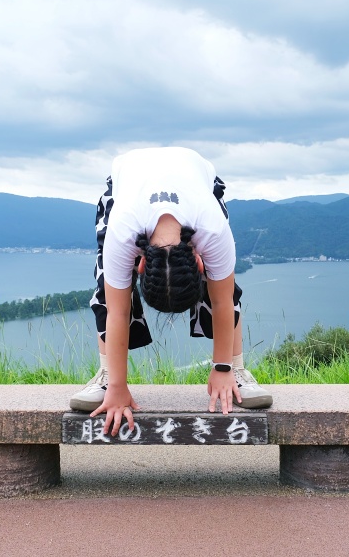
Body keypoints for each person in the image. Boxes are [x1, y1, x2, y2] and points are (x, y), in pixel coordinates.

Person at [69, 147, 272, 435]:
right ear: (139, 266)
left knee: (225, 287)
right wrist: (117, 387)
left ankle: (236, 369)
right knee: (107, 289)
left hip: (197, 183)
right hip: (126, 187)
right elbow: (118, 309)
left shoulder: (210, 228)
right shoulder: (123, 229)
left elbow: (223, 299)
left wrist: (222, 367)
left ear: (199, 262)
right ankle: (106, 374)